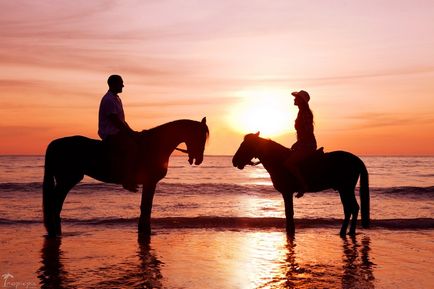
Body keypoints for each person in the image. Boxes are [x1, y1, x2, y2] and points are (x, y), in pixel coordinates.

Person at [98, 75, 139, 192]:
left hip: (117, 131)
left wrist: (132, 132)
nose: (123, 85)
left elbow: (122, 121)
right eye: (121, 83)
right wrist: (130, 133)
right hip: (110, 133)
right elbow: (115, 121)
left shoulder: (117, 99)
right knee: (132, 147)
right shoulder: (108, 99)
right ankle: (127, 179)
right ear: (114, 84)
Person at [285, 90, 317, 198]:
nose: (294, 99)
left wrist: (298, 143)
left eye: (296, 98)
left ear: (301, 101)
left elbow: (308, 132)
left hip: (307, 145)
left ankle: (303, 186)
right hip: (303, 144)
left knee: (289, 163)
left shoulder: (305, 113)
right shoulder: (301, 112)